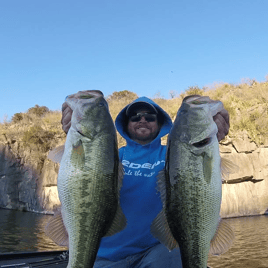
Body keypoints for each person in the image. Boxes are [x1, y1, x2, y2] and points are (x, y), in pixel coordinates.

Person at [61, 90, 229, 268]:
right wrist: (74, 129)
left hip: (157, 252)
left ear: (160, 123)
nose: (142, 120)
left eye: (150, 117)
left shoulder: (175, 156)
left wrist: (215, 133)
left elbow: (200, 166)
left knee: (177, 255)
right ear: (126, 124)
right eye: (135, 117)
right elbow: (80, 166)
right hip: (105, 256)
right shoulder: (107, 156)